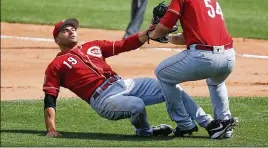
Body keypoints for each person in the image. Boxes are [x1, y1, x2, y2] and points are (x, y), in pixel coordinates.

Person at [43, 18, 234, 138]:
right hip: (103, 99)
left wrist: (148, 33)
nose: (72, 31)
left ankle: (207, 123)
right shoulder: (56, 65)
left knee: (169, 86)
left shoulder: (93, 46)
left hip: (123, 84)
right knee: (136, 105)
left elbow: (124, 44)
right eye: (65, 30)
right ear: (57, 40)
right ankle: (145, 131)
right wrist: (51, 128)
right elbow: (50, 97)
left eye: (73, 28)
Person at [148, 0, 238, 138]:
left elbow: (165, 26)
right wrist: (167, 38)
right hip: (228, 57)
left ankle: (185, 123)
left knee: (162, 74)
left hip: (203, 58)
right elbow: (187, 37)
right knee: (216, 82)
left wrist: (153, 34)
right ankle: (224, 123)